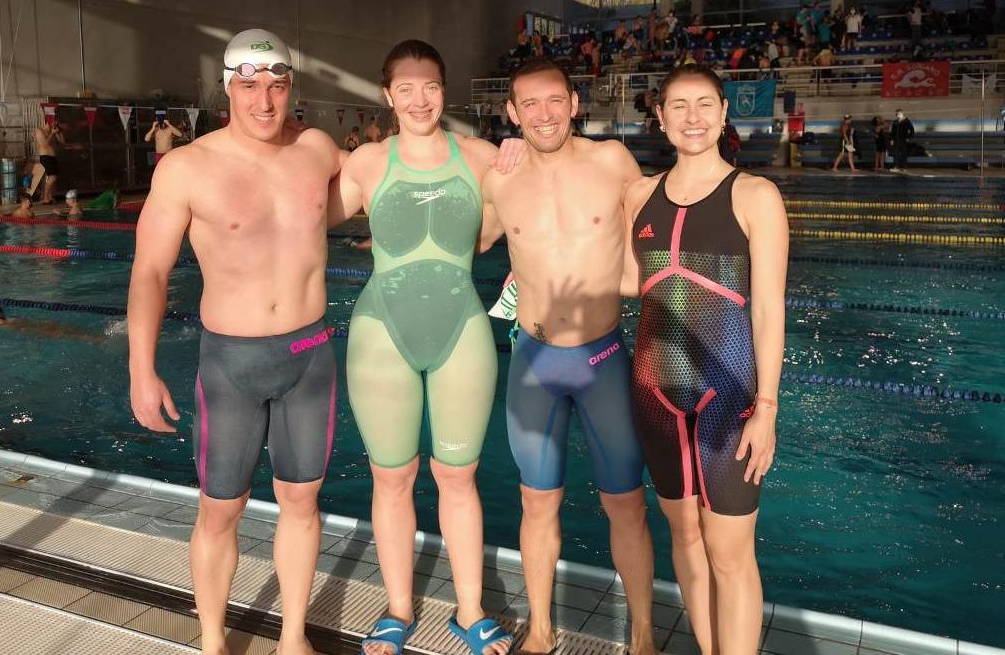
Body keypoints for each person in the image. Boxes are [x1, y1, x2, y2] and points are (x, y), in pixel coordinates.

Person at [128, 28, 345, 655]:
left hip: (309, 357)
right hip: (231, 365)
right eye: (249, 86)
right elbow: (149, 271)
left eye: (277, 86)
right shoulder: (187, 167)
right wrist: (143, 370)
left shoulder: (317, 148)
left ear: (291, 87)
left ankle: (294, 638)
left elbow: (384, 175)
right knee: (221, 510)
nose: (264, 102)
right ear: (228, 87)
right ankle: (214, 641)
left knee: (302, 503)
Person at [332, 40, 519, 655]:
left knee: (457, 477)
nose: (419, 99)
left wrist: (522, 152)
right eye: (406, 88)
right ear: (387, 95)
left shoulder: (484, 157)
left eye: (431, 86)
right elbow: (295, 213)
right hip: (380, 333)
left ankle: (470, 613)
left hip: (461, 328)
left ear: (446, 90)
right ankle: (398, 609)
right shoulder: (363, 163)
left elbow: (514, 222)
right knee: (393, 479)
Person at [477, 57, 656, 655]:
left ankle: (644, 637)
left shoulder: (611, 161)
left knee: (626, 505)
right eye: (530, 104)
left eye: (555, 100)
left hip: (602, 358)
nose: (544, 114)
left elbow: (656, 240)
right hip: (533, 361)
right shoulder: (499, 178)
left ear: (575, 103)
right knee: (536, 500)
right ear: (512, 112)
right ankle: (542, 630)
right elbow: (471, 241)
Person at [621, 63, 785, 655]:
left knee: (732, 552)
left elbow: (768, 310)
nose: (693, 117)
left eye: (705, 105)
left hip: (731, 397)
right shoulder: (638, 197)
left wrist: (766, 407)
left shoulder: (755, 195)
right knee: (685, 537)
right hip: (653, 392)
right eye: (679, 107)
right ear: (660, 119)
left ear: (722, 114)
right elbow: (619, 279)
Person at [33, 119, 64, 204]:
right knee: (52, 178)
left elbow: (62, 142)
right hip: (45, 157)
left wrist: (58, 132)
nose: (57, 123)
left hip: (53, 157)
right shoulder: (40, 131)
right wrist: (52, 133)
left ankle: (48, 196)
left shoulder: (54, 131)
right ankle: (45, 198)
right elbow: (45, 144)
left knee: (52, 179)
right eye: (55, 122)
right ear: (49, 121)